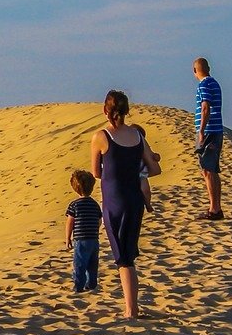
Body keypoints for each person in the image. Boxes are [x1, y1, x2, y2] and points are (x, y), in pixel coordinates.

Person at [90, 90, 162, 319]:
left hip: (113, 200)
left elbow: (95, 172)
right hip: (134, 200)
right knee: (128, 254)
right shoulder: (139, 137)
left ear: (105, 110)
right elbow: (154, 169)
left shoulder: (101, 137)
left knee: (123, 258)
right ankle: (132, 307)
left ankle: (131, 309)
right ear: (127, 110)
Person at [193, 57, 225, 220]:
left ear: (194, 71)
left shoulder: (204, 84)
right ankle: (215, 207)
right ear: (209, 68)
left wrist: (201, 131)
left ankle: (214, 209)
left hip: (210, 132)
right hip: (215, 130)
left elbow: (205, 107)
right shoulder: (215, 83)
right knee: (210, 169)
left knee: (208, 169)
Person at [64, 170, 103, 292]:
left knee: (80, 264)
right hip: (93, 240)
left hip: (80, 240)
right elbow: (99, 220)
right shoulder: (94, 204)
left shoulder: (74, 205)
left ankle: (78, 287)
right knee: (92, 264)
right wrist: (94, 230)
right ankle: (91, 284)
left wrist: (67, 238)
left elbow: (70, 222)